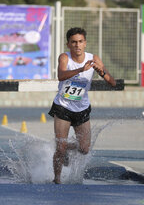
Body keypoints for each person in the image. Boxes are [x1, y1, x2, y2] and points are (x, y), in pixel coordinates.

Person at [48, 27, 116, 184]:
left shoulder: (94, 58)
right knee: (60, 148)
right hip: (63, 107)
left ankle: (65, 147)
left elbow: (112, 82)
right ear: (68, 44)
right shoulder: (65, 57)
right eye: (73, 42)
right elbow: (61, 76)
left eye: (80, 42)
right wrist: (81, 69)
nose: (77, 45)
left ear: (85, 43)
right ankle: (56, 179)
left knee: (84, 149)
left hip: (82, 109)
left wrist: (102, 72)